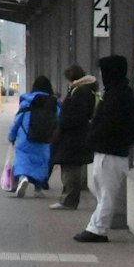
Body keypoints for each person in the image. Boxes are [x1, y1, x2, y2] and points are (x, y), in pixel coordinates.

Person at [77, 53, 134, 243]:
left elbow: (108, 124)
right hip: (110, 151)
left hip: (110, 152)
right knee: (103, 193)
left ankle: (98, 230)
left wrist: (92, 137)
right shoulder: (120, 93)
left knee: (106, 194)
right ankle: (95, 227)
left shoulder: (116, 96)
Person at [50, 65, 97, 210]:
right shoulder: (84, 90)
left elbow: (74, 116)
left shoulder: (80, 92)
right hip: (76, 136)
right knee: (70, 167)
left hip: (73, 137)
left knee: (71, 168)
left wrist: (63, 124)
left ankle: (69, 201)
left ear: (71, 79)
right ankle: (67, 199)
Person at [7, 75, 58, 197]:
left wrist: (11, 136)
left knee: (23, 158)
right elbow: (58, 120)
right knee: (41, 162)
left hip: (25, 137)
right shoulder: (53, 104)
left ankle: (23, 178)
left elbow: (17, 121)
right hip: (45, 139)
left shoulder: (27, 102)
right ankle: (38, 188)